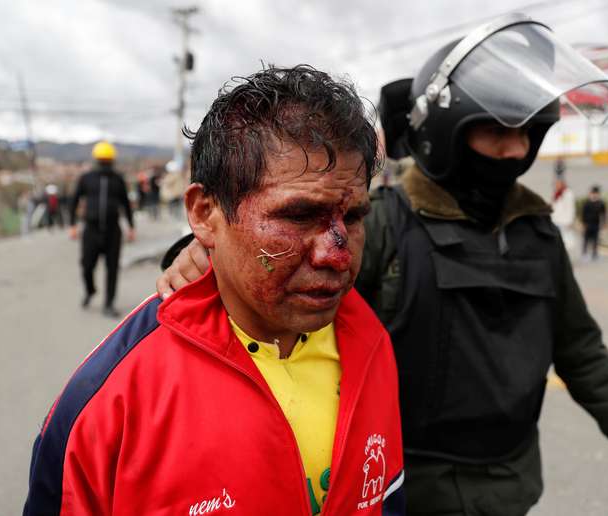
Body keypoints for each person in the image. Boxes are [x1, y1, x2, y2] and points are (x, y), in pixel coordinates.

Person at [158, 14, 608, 516]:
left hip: (511, 486)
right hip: (397, 486)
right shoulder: (382, 224)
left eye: (527, 134)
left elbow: (582, 354)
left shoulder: (538, 233)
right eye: (497, 132)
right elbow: (271, 295)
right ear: (449, 133)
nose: (514, 151)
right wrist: (201, 252)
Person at [24, 65, 405, 516]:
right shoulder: (112, 396)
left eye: (355, 218)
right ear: (205, 214)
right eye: (299, 216)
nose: (338, 254)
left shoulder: (371, 343)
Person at [68, 141, 135, 317]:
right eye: (102, 160)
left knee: (112, 269)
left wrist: (131, 226)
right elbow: (74, 200)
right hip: (91, 229)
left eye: (107, 160)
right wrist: (72, 225)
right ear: (97, 160)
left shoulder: (118, 179)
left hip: (113, 231)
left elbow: (126, 204)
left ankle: (109, 304)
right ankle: (90, 290)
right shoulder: (86, 178)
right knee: (86, 265)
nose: (105, 164)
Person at [580, 184, 608, 260]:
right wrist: (583, 223)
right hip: (587, 224)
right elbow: (583, 214)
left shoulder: (601, 203)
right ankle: (584, 253)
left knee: (595, 240)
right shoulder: (587, 203)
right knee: (586, 239)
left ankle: (594, 254)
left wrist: (605, 223)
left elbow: (604, 214)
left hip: (596, 224)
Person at [551, 177, 576, 252]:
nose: (556, 186)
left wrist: (570, 220)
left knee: (566, 239)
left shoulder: (568, 194)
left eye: (558, 184)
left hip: (565, 220)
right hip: (556, 219)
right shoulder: (557, 193)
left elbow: (570, 208)